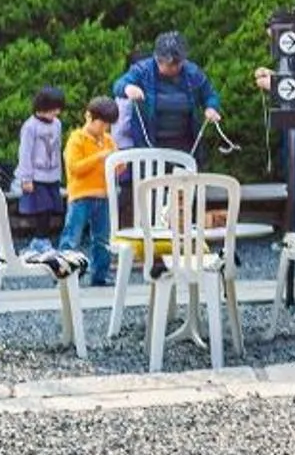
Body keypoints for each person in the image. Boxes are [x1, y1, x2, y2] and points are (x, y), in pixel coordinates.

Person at [112, 32, 221, 157]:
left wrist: (211, 107)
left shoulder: (193, 72)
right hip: (149, 144)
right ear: (158, 59)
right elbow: (118, 85)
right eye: (170, 65)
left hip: (185, 143)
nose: (174, 68)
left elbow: (210, 95)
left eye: (178, 64)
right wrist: (128, 88)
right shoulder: (142, 70)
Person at [58, 98, 118, 285]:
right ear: (89, 117)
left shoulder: (108, 140)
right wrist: (99, 157)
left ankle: (100, 274)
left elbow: (117, 165)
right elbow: (74, 167)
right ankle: (63, 273)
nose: (105, 128)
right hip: (80, 195)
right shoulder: (77, 139)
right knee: (72, 236)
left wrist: (118, 163)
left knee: (102, 238)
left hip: (103, 195)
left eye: (108, 124)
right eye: (102, 123)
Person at [13, 88, 68, 249]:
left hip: (53, 175)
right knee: (42, 209)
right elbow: (25, 153)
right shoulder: (30, 127)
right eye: (53, 108)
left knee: (52, 208)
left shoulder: (57, 124)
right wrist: (26, 178)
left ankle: (43, 239)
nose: (56, 112)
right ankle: (40, 239)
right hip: (36, 176)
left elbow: (57, 150)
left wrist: (60, 174)